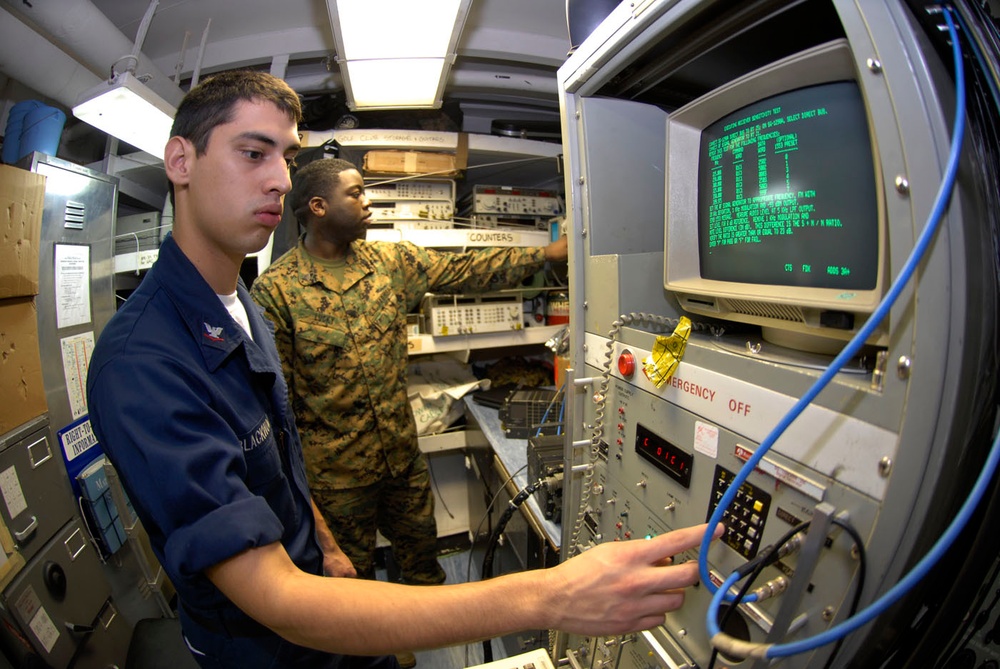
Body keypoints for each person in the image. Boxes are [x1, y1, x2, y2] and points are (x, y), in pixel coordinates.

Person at [86, 69, 722, 669]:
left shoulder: (256, 303)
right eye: (254, 153)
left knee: (414, 571)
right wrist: (548, 597)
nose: (279, 178)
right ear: (180, 162)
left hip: (391, 462)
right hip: (292, 581)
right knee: (357, 592)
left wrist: (551, 254)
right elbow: (278, 592)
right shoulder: (171, 346)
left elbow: (277, 449)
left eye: (286, 156)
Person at [249, 156, 567, 600]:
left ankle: (427, 630)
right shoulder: (276, 291)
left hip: (401, 460)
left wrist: (546, 254)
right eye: (356, 193)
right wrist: (311, 514)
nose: (367, 202)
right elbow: (275, 408)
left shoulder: (388, 262)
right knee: (353, 590)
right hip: (337, 479)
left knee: (423, 569)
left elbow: (467, 270)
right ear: (318, 207)